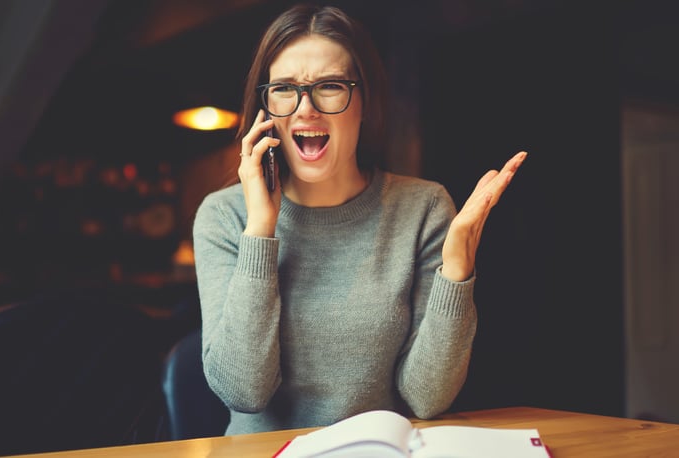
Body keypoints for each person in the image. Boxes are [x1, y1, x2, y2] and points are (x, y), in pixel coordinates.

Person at [191, 3, 527, 435]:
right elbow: (243, 391)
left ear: (364, 102)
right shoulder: (223, 216)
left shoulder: (424, 209)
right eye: (284, 89)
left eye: (329, 86)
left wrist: (457, 270)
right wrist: (261, 228)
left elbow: (427, 398)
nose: (304, 109)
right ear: (265, 108)